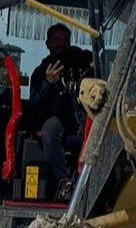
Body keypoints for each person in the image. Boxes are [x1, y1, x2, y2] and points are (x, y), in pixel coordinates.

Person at [28, 23, 94, 196]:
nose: (61, 43)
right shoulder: (40, 72)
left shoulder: (81, 60)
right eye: (57, 39)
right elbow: (35, 104)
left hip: (87, 116)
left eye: (65, 40)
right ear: (47, 43)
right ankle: (65, 183)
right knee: (49, 131)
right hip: (59, 118)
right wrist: (48, 84)